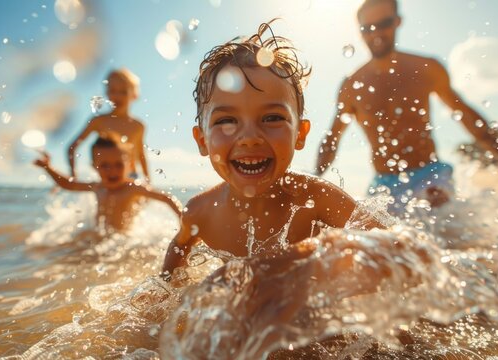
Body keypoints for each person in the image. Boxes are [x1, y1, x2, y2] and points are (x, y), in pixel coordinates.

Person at [161, 21, 385, 278]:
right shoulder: (200, 212)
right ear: (202, 141)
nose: (249, 138)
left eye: (272, 118)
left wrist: (307, 253)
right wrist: (161, 298)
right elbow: (178, 247)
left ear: (299, 134)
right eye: (226, 121)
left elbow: (395, 248)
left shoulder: (315, 200)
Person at [315, 0, 498, 215]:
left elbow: (466, 116)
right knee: (377, 244)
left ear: (398, 22)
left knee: (443, 222)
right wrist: (315, 179)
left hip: (429, 174)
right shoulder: (352, 86)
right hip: (383, 184)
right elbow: (332, 139)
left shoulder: (426, 68)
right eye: (367, 28)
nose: (375, 33)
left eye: (383, 24)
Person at [34, 136, 180, 233]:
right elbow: (69, 185)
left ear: (129, 165)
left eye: (118, 165)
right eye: (104, 165)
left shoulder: (133, 188)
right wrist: (48, 167)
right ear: (94, 166)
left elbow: (166, 198)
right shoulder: (98, 187)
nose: (112, 171)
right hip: (101, 238)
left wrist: (184, 222)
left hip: (123, 240)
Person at [68, 68, 151, 183]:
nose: (117, 96)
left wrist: (148, 181)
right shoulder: (99, 121)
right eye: (112, 90)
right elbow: (72, 147)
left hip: (131, 178)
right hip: (106, 178)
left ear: (134, 95)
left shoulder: (138, 126)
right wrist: (73, 177)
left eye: (123, 92)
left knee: (134, 197)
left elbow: (141, 156)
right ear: (106, 93)